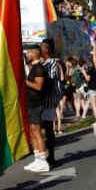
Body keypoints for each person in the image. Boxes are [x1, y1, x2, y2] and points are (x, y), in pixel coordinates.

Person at [23, 45, 50, 172]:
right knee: (32, 132)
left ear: (34, 55)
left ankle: (44, 161)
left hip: (36, 104)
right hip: (31, 103)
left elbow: (39, 86)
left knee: (37, 132)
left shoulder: (39, 68)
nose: (26, 55)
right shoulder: (33, 67)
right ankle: (37, 159)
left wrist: (23, 81)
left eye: (27, 53)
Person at [40, 38, 62, 168]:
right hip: (43, 99)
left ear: (47, 49)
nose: (40, 49)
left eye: (42, 47)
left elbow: (50, 81)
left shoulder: (52, 62)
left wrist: (40, 89)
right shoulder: (45, 62)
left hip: (49, 100)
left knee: (49, 129)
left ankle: (52, 157)